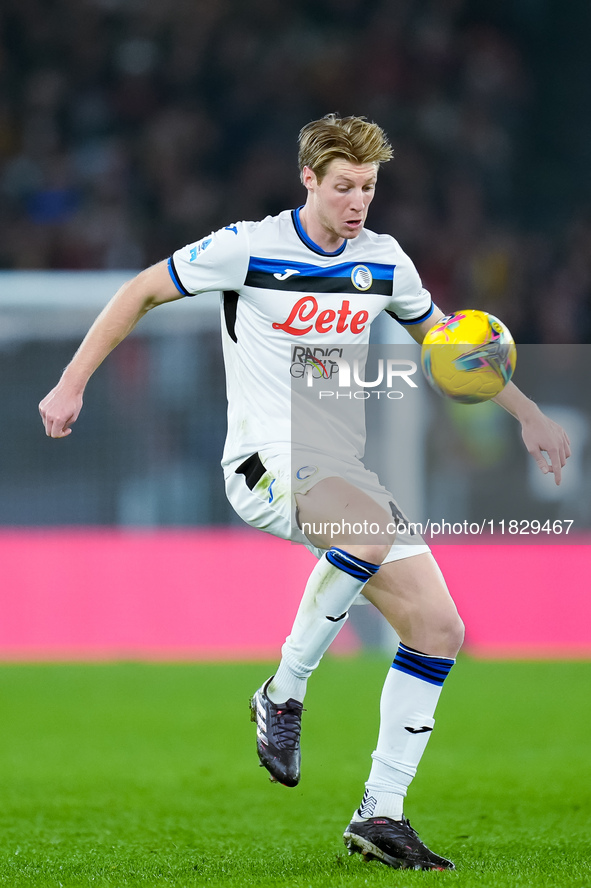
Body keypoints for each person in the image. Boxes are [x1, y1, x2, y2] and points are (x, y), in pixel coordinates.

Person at [39, 114, 570, 872]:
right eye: (345, 186)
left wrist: (528, 415)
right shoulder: (246, 248)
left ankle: (380, 814)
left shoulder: (384, 261)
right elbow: (140, 291)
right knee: (364, 530)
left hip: (340, 470)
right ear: (309, 180)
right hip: (264, 460)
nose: (359, 202)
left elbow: (451, 347)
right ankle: (282, 694)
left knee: (438, 628)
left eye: (370, 187)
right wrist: (71, 382)